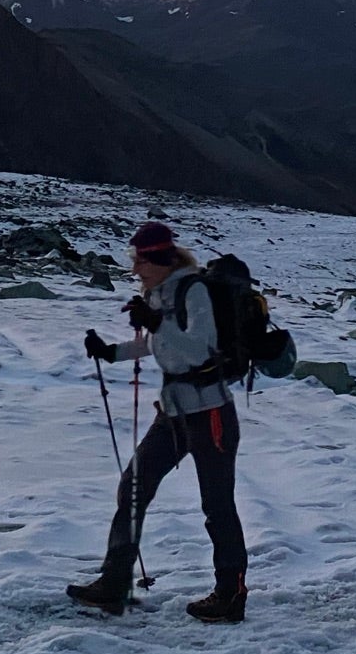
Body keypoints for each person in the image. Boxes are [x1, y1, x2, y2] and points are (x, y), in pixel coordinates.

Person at [67, 221, 248, 622]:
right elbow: (159, 344)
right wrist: (110, 351)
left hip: (211, 413)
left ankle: (230, 595)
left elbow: (199, 350)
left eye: (141, 262)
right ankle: (114, 584)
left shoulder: (194, 289)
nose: (135, 271)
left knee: (217, 505)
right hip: (173, 413)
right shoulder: (159, 291)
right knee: (134, 486)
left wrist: (155, 322)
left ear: (162, 260)